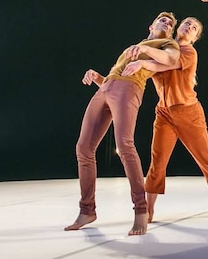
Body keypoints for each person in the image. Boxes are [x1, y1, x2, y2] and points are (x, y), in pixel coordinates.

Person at [65, 12, 181, 236]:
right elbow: (115, 75)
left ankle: (141, 210)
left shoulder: (166, 44)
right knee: (84, 148)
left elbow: (171, 60)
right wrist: (98, 77)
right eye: (162, 20)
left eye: (170, 23)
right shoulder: (136, 47)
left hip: (129, 89)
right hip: (106, 88)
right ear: (151, 25)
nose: (166, 23)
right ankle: (87, 210)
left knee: (125, 145)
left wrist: (146, 53)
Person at [122, 16, 208, 222]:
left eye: (194, 27)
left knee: (206, 159)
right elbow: (132, 75)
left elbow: (165, 65)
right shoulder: (164, 48)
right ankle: (149, 209)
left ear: (195, 37)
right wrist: (104, 81)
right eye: (187, 23)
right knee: (157, 163)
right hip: (163, 114)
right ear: (178, 28)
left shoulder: (189, 52)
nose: (189, 27)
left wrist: (144, 57)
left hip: (188, 112)